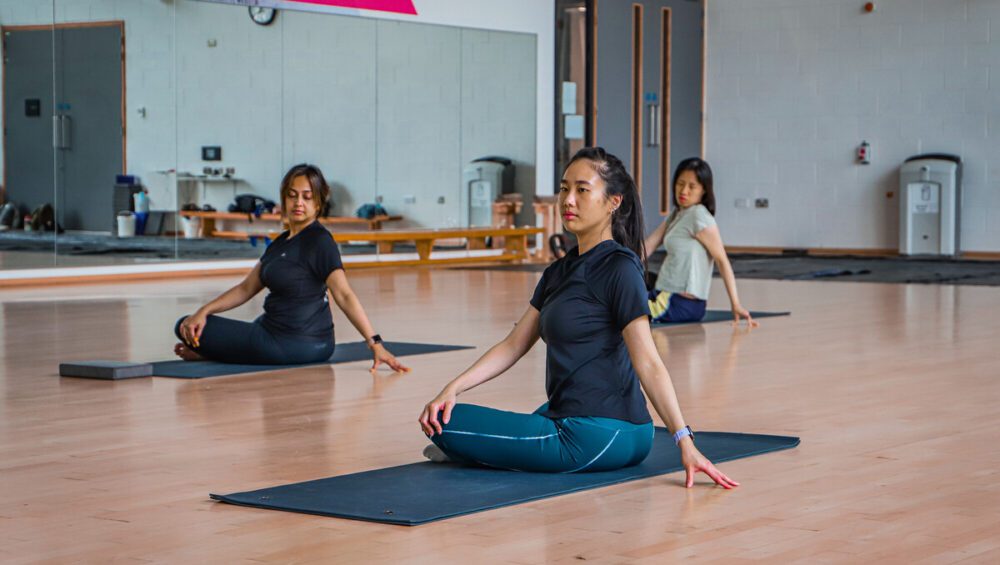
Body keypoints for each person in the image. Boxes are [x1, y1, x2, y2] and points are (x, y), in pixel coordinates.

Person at [418, 147, 738, 488]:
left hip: (602, 434)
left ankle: (479, 449)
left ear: (613, 201)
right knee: (444, 411)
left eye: (582, 190)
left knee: (451, 425)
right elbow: (513, 345)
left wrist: (684, 441)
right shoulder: (558, 272)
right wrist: (452, 388)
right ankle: (487, 448)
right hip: (576, 420)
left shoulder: (620, 267)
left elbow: (648, 362)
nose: (569, 200)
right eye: (564, 188)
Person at [173, 163, 408, 372]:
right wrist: (203, 311)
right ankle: (213, 351)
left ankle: (214, 352)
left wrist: (375, 343)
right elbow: (246, 289)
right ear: (284, 199)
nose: (298, 203)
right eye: (292, 195)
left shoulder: (320, 241)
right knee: (197, 324)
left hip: (295, 342)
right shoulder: (280, 242)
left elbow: (344, 295)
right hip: (283, 336)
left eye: (307, 197)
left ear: (318, 203)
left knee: (183, 324)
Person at [644, 158, 756, 326]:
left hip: (679, 302)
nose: (684, 190)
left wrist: (735, 304)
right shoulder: (677, 214)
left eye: (692, 186)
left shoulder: (699, 216)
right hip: (663, 294)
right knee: (617, 303)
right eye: (680, 183)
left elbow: (721, 260)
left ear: (704, 190)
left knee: (622, 312)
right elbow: (648, 246)